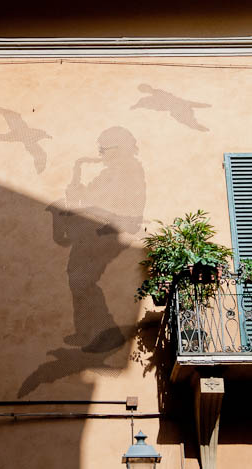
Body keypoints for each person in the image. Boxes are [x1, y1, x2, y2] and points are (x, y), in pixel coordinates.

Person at [47, 126, 146, 353]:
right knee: (76, 278)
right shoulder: (111, 171)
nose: (100, 154)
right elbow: (90, 196)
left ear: (119, 148)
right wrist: (77, 190)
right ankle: (86, 332)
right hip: (99, 228)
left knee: (82, 280)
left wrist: (83, 201)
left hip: (113, 229)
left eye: (104, 149)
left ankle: (106, 334)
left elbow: (114, 202)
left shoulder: (128, 170)